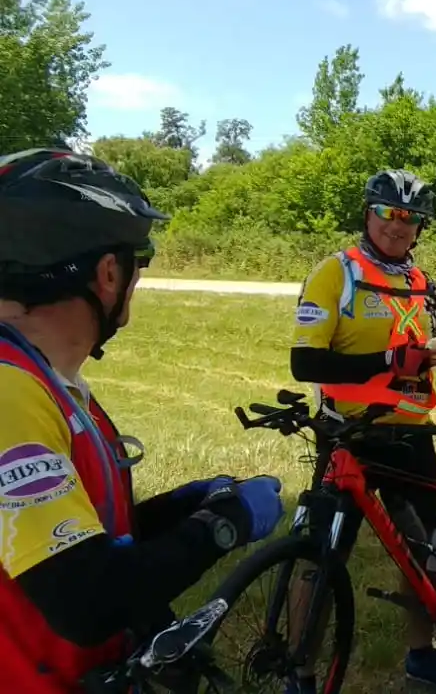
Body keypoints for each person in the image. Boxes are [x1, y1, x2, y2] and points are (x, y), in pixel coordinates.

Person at [0, 147, 287, 693]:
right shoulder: (9, 394)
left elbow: (63, 543)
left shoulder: (43, 379)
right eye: (139, 261)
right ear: (109, 272)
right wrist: (220, 529)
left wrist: (173, 511)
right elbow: (85, 600)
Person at [289, 168, 436, 693]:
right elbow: (306, 364)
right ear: (368, 214)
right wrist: (389, 359)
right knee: (320, 554)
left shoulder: (422, 285)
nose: (399, 225)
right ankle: (300, 671)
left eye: (411, 218)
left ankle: (422, 654)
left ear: (420, 228)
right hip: (349, 434)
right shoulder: (335, 273)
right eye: (389, 212)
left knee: (422, 553)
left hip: (411, 435)